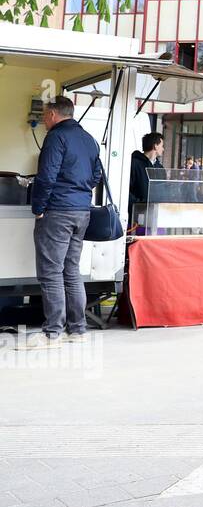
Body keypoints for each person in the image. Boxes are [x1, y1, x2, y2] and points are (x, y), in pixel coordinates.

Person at [26, 96, 103, 348]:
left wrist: (38, 207)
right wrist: (78, 191)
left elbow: (46, 176)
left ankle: (52, 333)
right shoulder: (89, 139)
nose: (45, 120)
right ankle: (78, 329)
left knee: (50, 272)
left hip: (57, 211)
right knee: (70, 271)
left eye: (46, 116)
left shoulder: (56, 137)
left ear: (52, 114)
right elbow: (97, 175)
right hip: (82, 211)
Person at [128, 132, 165, 231]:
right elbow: (126, 190)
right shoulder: (134, 163)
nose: (163, 149)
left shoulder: (160, 168)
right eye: (162, 146)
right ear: (155, 146)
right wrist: (138, 204)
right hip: (135, 218)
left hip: (155, 217)